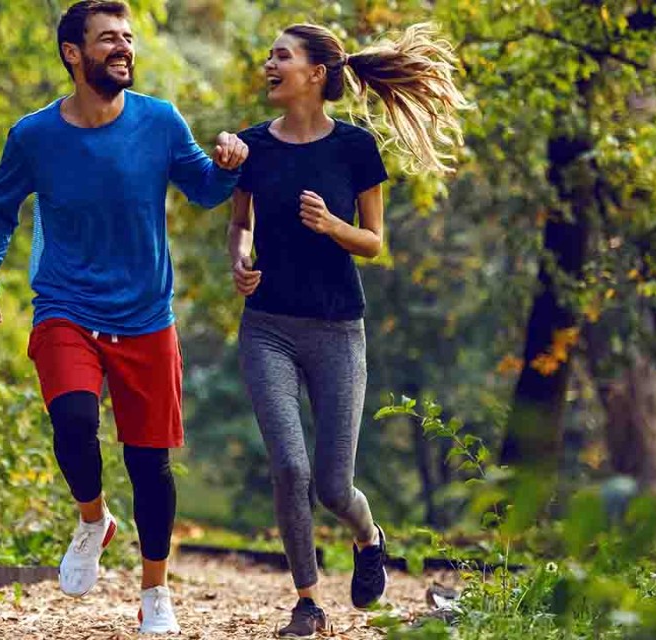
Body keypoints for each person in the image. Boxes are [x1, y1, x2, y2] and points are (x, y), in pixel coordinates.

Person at [0, 1, 248, 634]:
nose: (123, 48)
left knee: (150, 464)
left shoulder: (160, 121)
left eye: (127, 38)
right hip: (67, 306)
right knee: (72, 421)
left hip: (146, 316)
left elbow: (203, 188)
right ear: (73, 53)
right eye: (107, 39)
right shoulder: (34, 136)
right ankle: (93, 518)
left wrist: (230, 165)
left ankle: (155, 593)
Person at [227, 22, 470, 638]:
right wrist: (240, 259)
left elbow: (374, 242)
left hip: (338, 329)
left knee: (334, 486)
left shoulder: (355, 148)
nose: (268, 64)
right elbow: (240, 226)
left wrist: (334, 226)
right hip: (267, 329)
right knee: (290, 469)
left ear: (315, 74)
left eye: (281, 55)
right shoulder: (255, 147)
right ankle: (307, 601)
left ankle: (369, 537)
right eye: (268, 54)